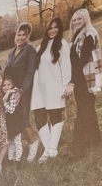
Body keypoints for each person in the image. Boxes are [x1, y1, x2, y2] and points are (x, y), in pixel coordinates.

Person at [29, 15, 72, 161]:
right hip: (39, 88)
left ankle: (51, 150)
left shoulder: (62, 44)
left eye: (56, 27)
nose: (52, 30)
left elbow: (66, 66)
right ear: (46, 29)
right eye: (50, 27)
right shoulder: (40, 47)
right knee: (39, 117)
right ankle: (48, 150)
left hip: (55, 86)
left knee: (55, 117)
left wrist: (67, 85)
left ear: (59, 29)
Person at [68, 5, 102, 159]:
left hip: (84, 79)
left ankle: (78, 147)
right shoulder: (78, 35)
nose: (76, 22)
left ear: (85, 19)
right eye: (74, 19)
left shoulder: (88, 34)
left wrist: (72, 81)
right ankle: (95, 140)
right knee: (88, 109)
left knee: (82, 111)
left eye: (79, 19)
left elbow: (81, 61)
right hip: (82, 78)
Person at [3, 22, 39, 160]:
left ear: (27, 36)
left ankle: (34, 143)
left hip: (23, 91)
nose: (21, 37)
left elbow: (30, 72)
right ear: (15, 35)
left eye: (24, 35)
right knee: (16, 120)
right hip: (11, 92)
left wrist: (21, 91)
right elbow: (7, 73)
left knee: (23, 120)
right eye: (19, 34)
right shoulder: (11, 53)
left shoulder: (29, 50)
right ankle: (23, 145)